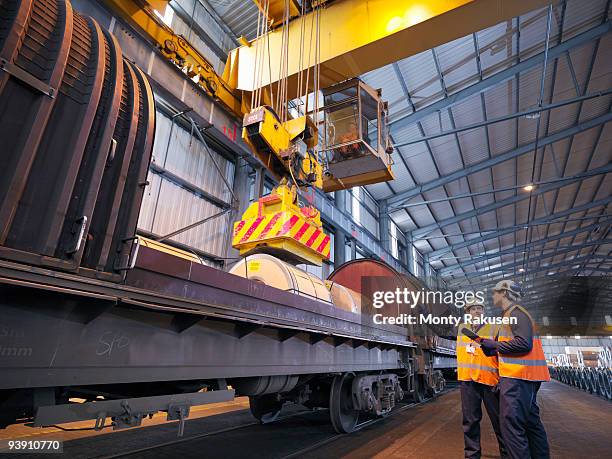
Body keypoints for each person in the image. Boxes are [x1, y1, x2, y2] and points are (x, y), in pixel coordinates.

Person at [478, 280, 551, 459]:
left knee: (511, 426)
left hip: (518, 377)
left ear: (504, 293)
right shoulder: (510, 315)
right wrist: (493, 348)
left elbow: (523, 343)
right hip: (522, 377)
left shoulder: (516, 314)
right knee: (530, 423)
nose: (493, 296)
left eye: (495, 292)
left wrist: (495, 345)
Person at [457, 298, 508, 459]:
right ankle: (472, 455)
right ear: (468, 313)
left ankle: (507, 454)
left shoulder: (494, 327)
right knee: (470, 422)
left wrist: (502, 379)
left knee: (499, 422)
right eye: (473, 309)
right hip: (468, 382)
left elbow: (503, 353)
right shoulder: (461, 329)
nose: (477, 311)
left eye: (480, 308)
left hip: (490, 381)